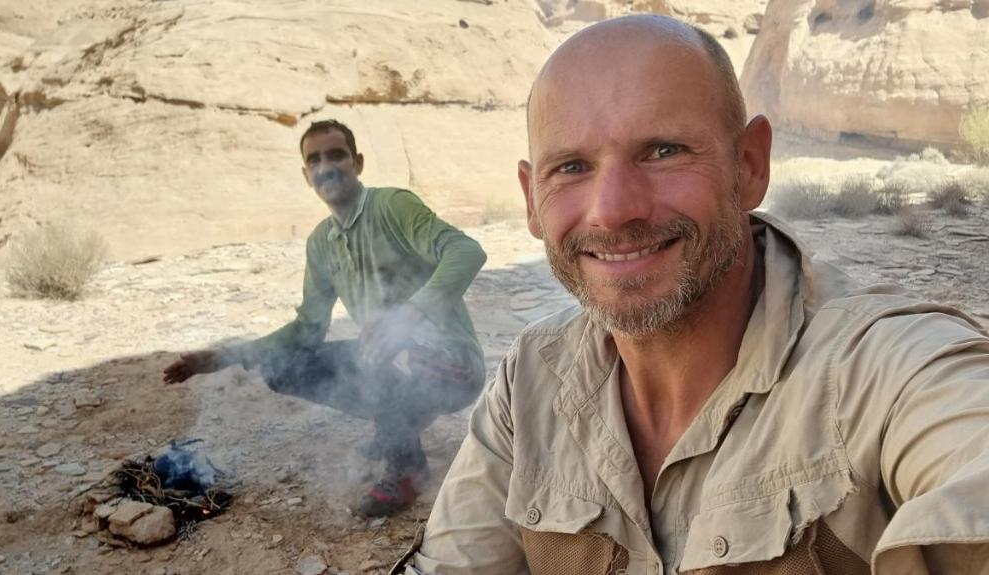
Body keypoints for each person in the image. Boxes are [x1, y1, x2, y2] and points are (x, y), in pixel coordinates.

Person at [400, 14, 989, 575]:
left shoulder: (884, 370)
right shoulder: (531, 378)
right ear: (531, 199)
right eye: (572, 167)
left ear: (750, 165)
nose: (614, 210)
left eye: (663, 151)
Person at [164, 119, 488, 517]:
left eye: (336, 155)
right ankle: (400, 422)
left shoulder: (392, 206)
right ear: (306, 175)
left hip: (451, 367)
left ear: (358, 163)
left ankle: (406, 468)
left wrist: (409, 315)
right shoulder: (322, 243)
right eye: (314, 160)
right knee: (285, 367)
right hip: (393, 361)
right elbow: (307, 329)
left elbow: (467, 251)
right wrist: (225, 355)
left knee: (378, 346)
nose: (326, 167)